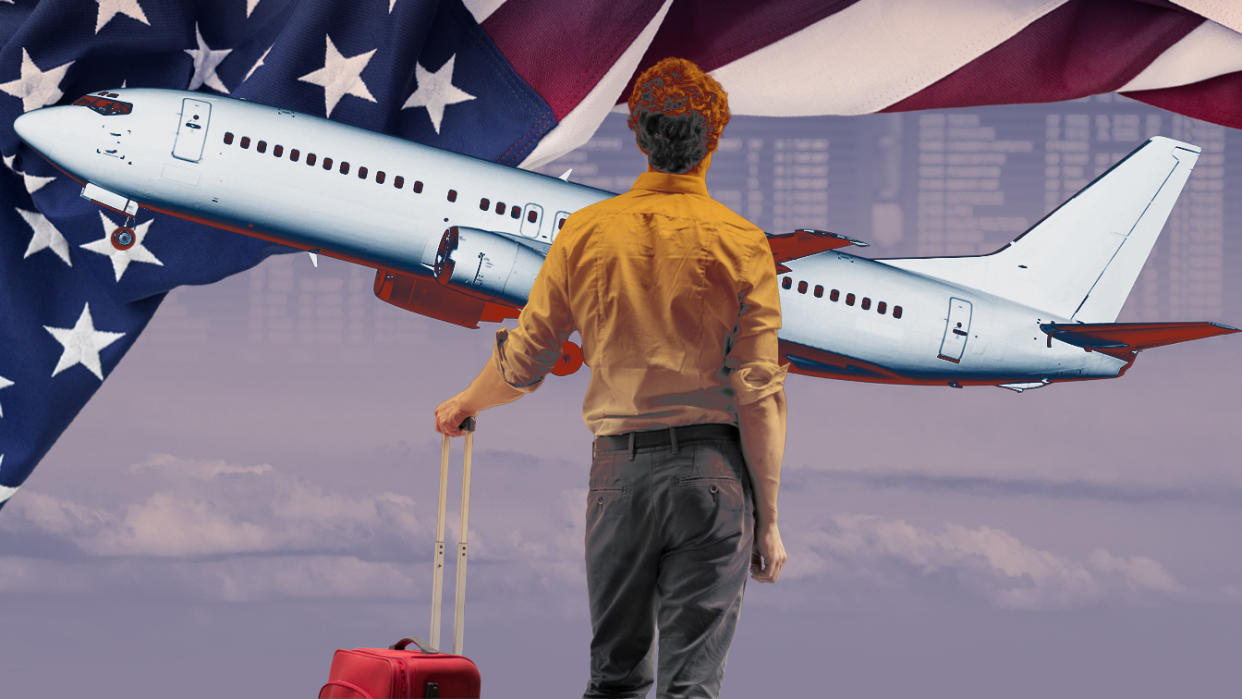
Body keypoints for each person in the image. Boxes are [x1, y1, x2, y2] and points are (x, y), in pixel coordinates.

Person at [434, 56, 788, 699]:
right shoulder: (743, 242)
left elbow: (526, 359)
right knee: (692, 688)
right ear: (713, 140)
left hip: (619, 476)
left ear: (640, 136)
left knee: (615, 680)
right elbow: (759, 394)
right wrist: (767, 520)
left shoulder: (584, 234)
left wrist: (464, 402)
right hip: (713, 478)